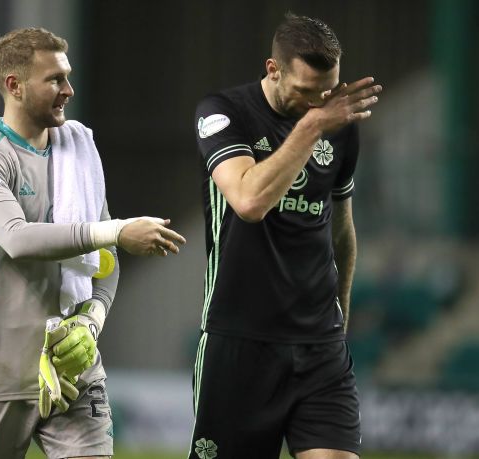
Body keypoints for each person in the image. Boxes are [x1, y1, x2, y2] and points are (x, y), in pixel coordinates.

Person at [0, 28, 186, 459]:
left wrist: (91, 320)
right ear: (14, 85)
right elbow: (18, 238)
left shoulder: (78, 151)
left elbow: (103, 259)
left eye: (68, 77)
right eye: (55, 79)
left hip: (74, 368)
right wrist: (116, 230)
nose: (68, 90)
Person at [190, 13, 382, 459]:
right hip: (240, 341)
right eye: (306, 92)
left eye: (327, 92)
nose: (318, 104)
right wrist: (313, 128)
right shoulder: (222, 112)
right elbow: (249, 201)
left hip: (320, 346)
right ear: (273, 70)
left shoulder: (339, 126)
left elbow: (341, 230)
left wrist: (339, 322)